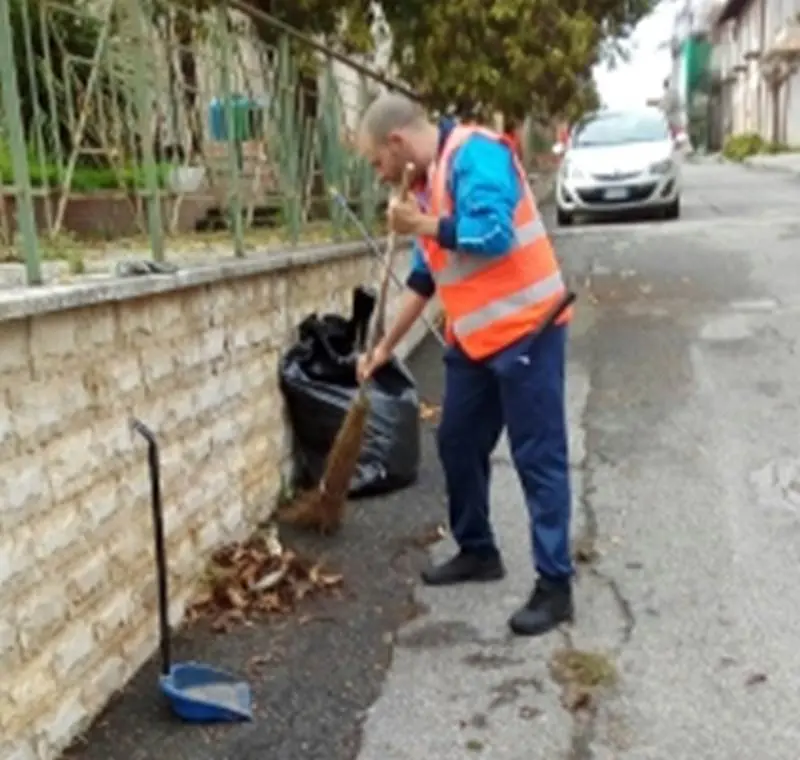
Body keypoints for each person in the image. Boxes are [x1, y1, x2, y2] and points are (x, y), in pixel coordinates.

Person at [355, 93, 574, 638]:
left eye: (378, 163)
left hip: (529, 331)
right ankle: (477, 549)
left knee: (537, 457)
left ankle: (555, 586)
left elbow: (493, 235)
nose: (381, 178)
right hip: (476, 343)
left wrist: (424, 225)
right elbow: (426, 281)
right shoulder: (427, 185)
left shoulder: (476, 156)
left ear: (398, 143)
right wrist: (384, 347)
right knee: (456, 441)